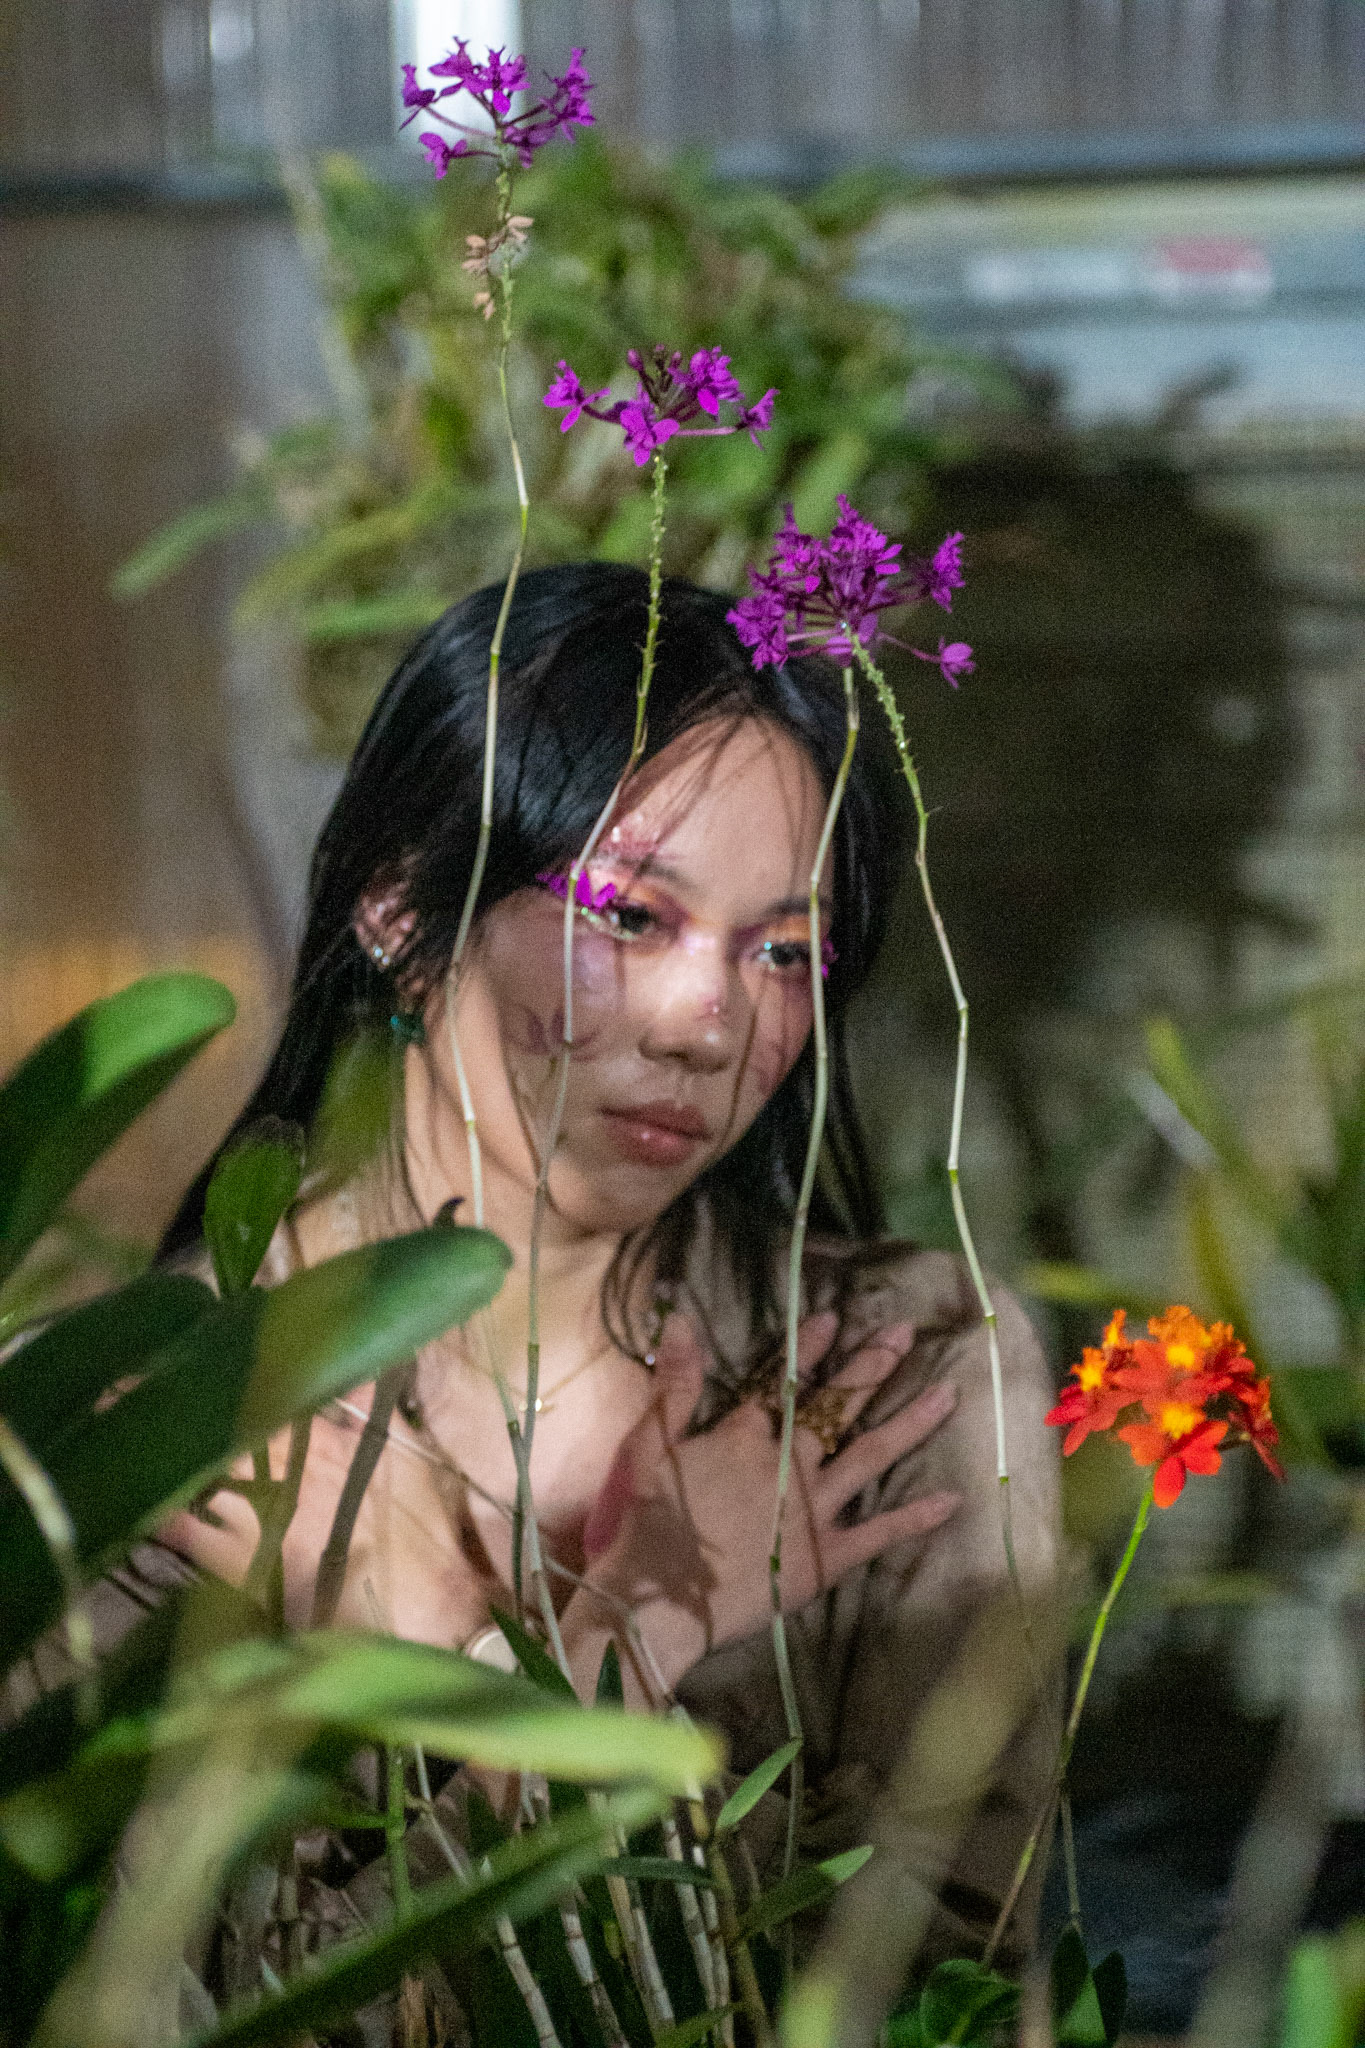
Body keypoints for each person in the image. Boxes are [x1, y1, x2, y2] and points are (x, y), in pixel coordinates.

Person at [149, 562, 1059, 2029]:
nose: (708, 1023)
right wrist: (602, 1659)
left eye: (783, 951)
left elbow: (946, 1991)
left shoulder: (906, 1371)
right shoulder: (148, 1416)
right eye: (630, 916)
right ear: (400, 904)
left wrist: (518, 1675)